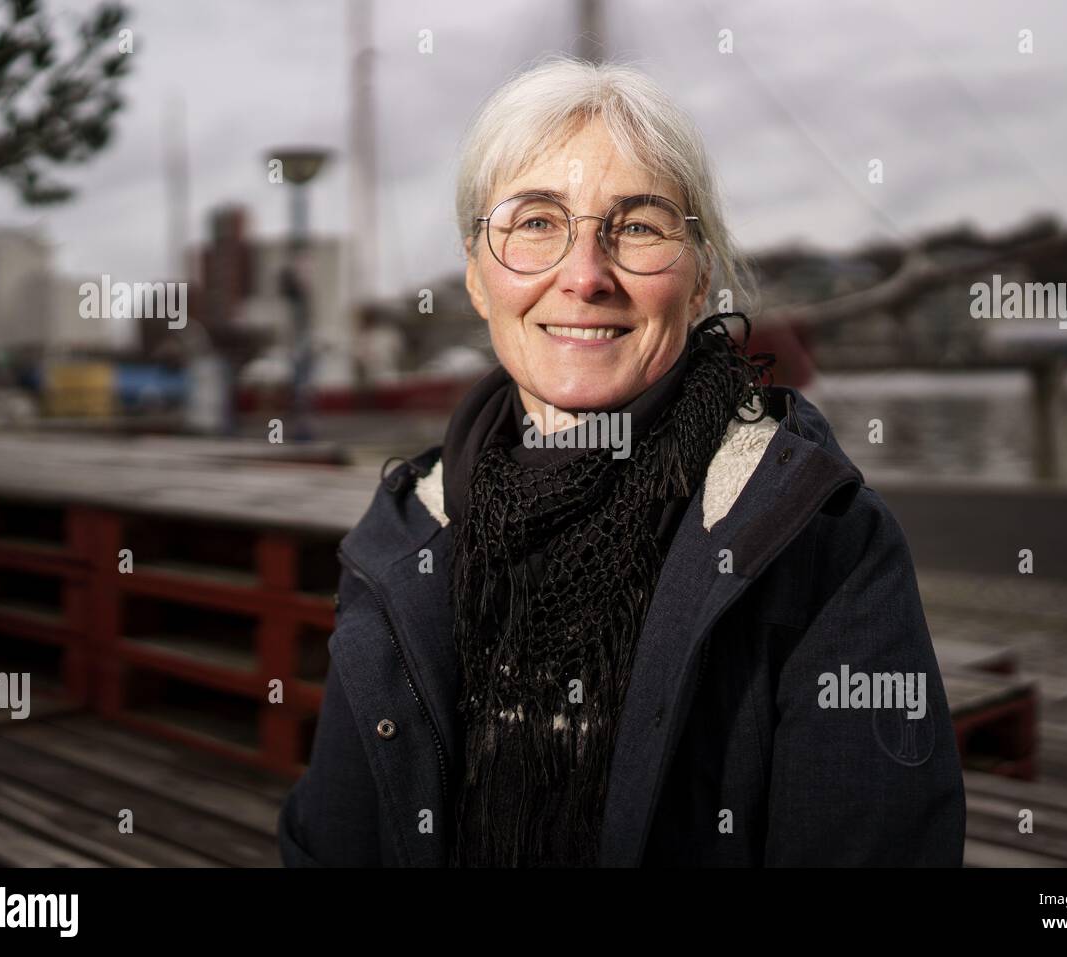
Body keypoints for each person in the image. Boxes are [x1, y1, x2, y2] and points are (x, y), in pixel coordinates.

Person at [279, 55, 965, 867]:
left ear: (702, 273)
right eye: (535, 222)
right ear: (474, 273)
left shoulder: (818, 536)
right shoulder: (405, 529)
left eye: (637, 225)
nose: (585, 275)